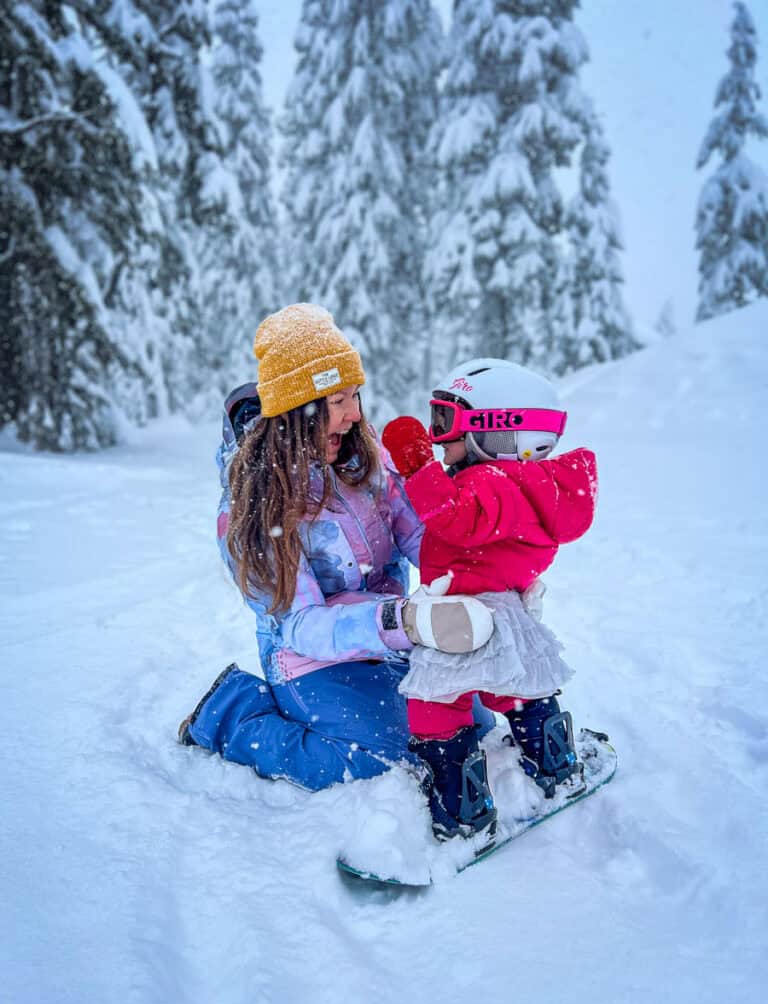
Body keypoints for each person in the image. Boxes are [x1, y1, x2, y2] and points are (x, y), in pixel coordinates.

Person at [178, 304, 495, 791]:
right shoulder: (255, 511)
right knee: (380, 761)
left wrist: (480, 577)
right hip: (309, 656)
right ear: (295, 411)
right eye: (338, 401)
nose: (353, 415)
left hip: (391, 635)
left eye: (355, 397)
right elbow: (302, 627)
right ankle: (230, 712)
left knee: (473, 726)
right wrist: (403, 621)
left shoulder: (365, 456)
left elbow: (418, 537)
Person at [381, 357, 598, 841]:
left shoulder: (492, 485)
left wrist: (415, 464)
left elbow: (454, 517)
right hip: (504, 619)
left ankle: (460, 806)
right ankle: (553, 758)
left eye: (446, 422)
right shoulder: (531, 488)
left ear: (499, 430)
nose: (438, 438)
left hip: (463, 624)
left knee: (437, 708)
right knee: (518, 690)